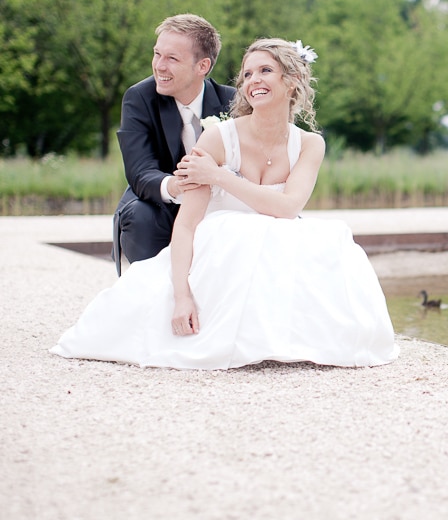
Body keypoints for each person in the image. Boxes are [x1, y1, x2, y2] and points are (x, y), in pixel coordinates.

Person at [51, 38, 399, 370]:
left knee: (333, 241)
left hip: (276, 248)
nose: (252, 80)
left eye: (265, 71)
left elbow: (289, 208)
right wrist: (182, 296)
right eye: (247, 74)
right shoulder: (218, 136)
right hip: (220, 251)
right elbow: (186, 225)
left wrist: (219, 177)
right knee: (239, 237)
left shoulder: (310, 144)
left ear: (291, 82)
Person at [112, 14, 236, 275]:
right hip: (161, 203)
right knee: (140, 216)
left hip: (219, 203)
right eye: (157, 54)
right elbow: (140, 171)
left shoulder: (233, 102)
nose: (159, 66)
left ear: (202, 66)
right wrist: (178, 185)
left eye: (172, 58)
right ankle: (151, 293)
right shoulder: (139, 98)